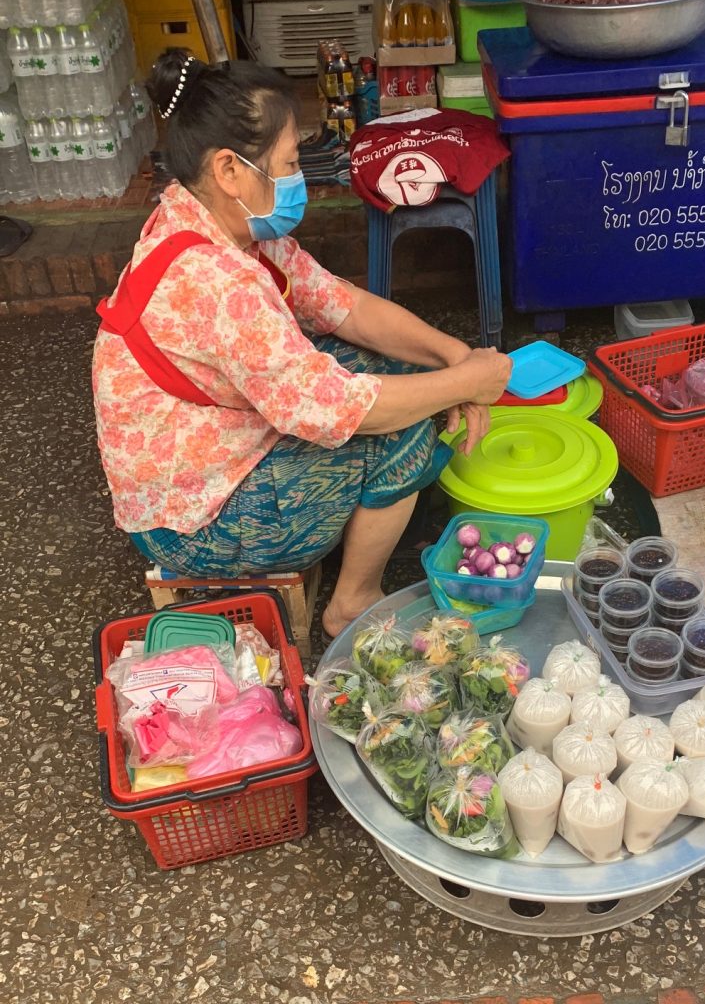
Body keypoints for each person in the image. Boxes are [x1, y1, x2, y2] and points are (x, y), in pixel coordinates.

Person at [92, 49, 511, 639]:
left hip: (211, 451)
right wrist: (466, 384)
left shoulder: (217, 223)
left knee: (395, 371)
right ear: (229, 170)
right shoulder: (217, 279)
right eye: (288, 164)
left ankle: (362, 528)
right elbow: (343, 408)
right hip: (195, 521)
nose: (298, 179)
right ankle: (351, 602)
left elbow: (345, 306)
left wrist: (455, 358)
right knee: (404, 425)